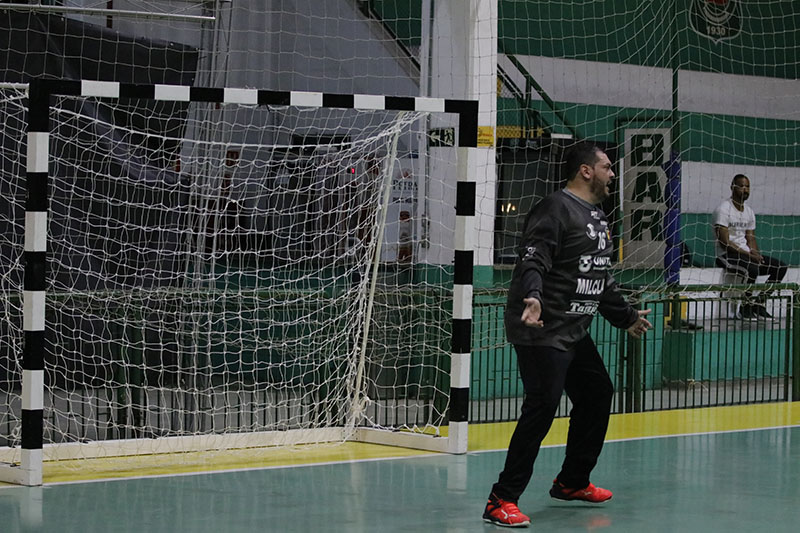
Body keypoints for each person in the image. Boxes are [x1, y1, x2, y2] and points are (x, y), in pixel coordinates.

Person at [482, 142, 652, 528]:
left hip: (574, 329)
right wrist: (533, 296)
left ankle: (572, 482)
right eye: (607, 167)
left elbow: (599, 278)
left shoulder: (597, 216)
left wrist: (625, 317)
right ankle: (500, 499)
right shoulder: (555, 208)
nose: (613, 173)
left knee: (597, 393)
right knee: (543, 406)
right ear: (585, 171)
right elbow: (533, 258)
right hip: (543, 327)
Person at [712, 174, 787, 320]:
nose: (745, 189)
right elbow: (725, 243)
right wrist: (749, 256)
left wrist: (755, 254)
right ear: (732, 187)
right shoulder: (723, 209)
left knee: (780, 267)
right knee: (752, 269)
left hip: (745, 255)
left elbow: (750, 238)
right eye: (741, 186)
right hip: (726, 256)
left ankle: (758, 304)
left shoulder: (749, 211)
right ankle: (744, 308)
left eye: (747, 186)